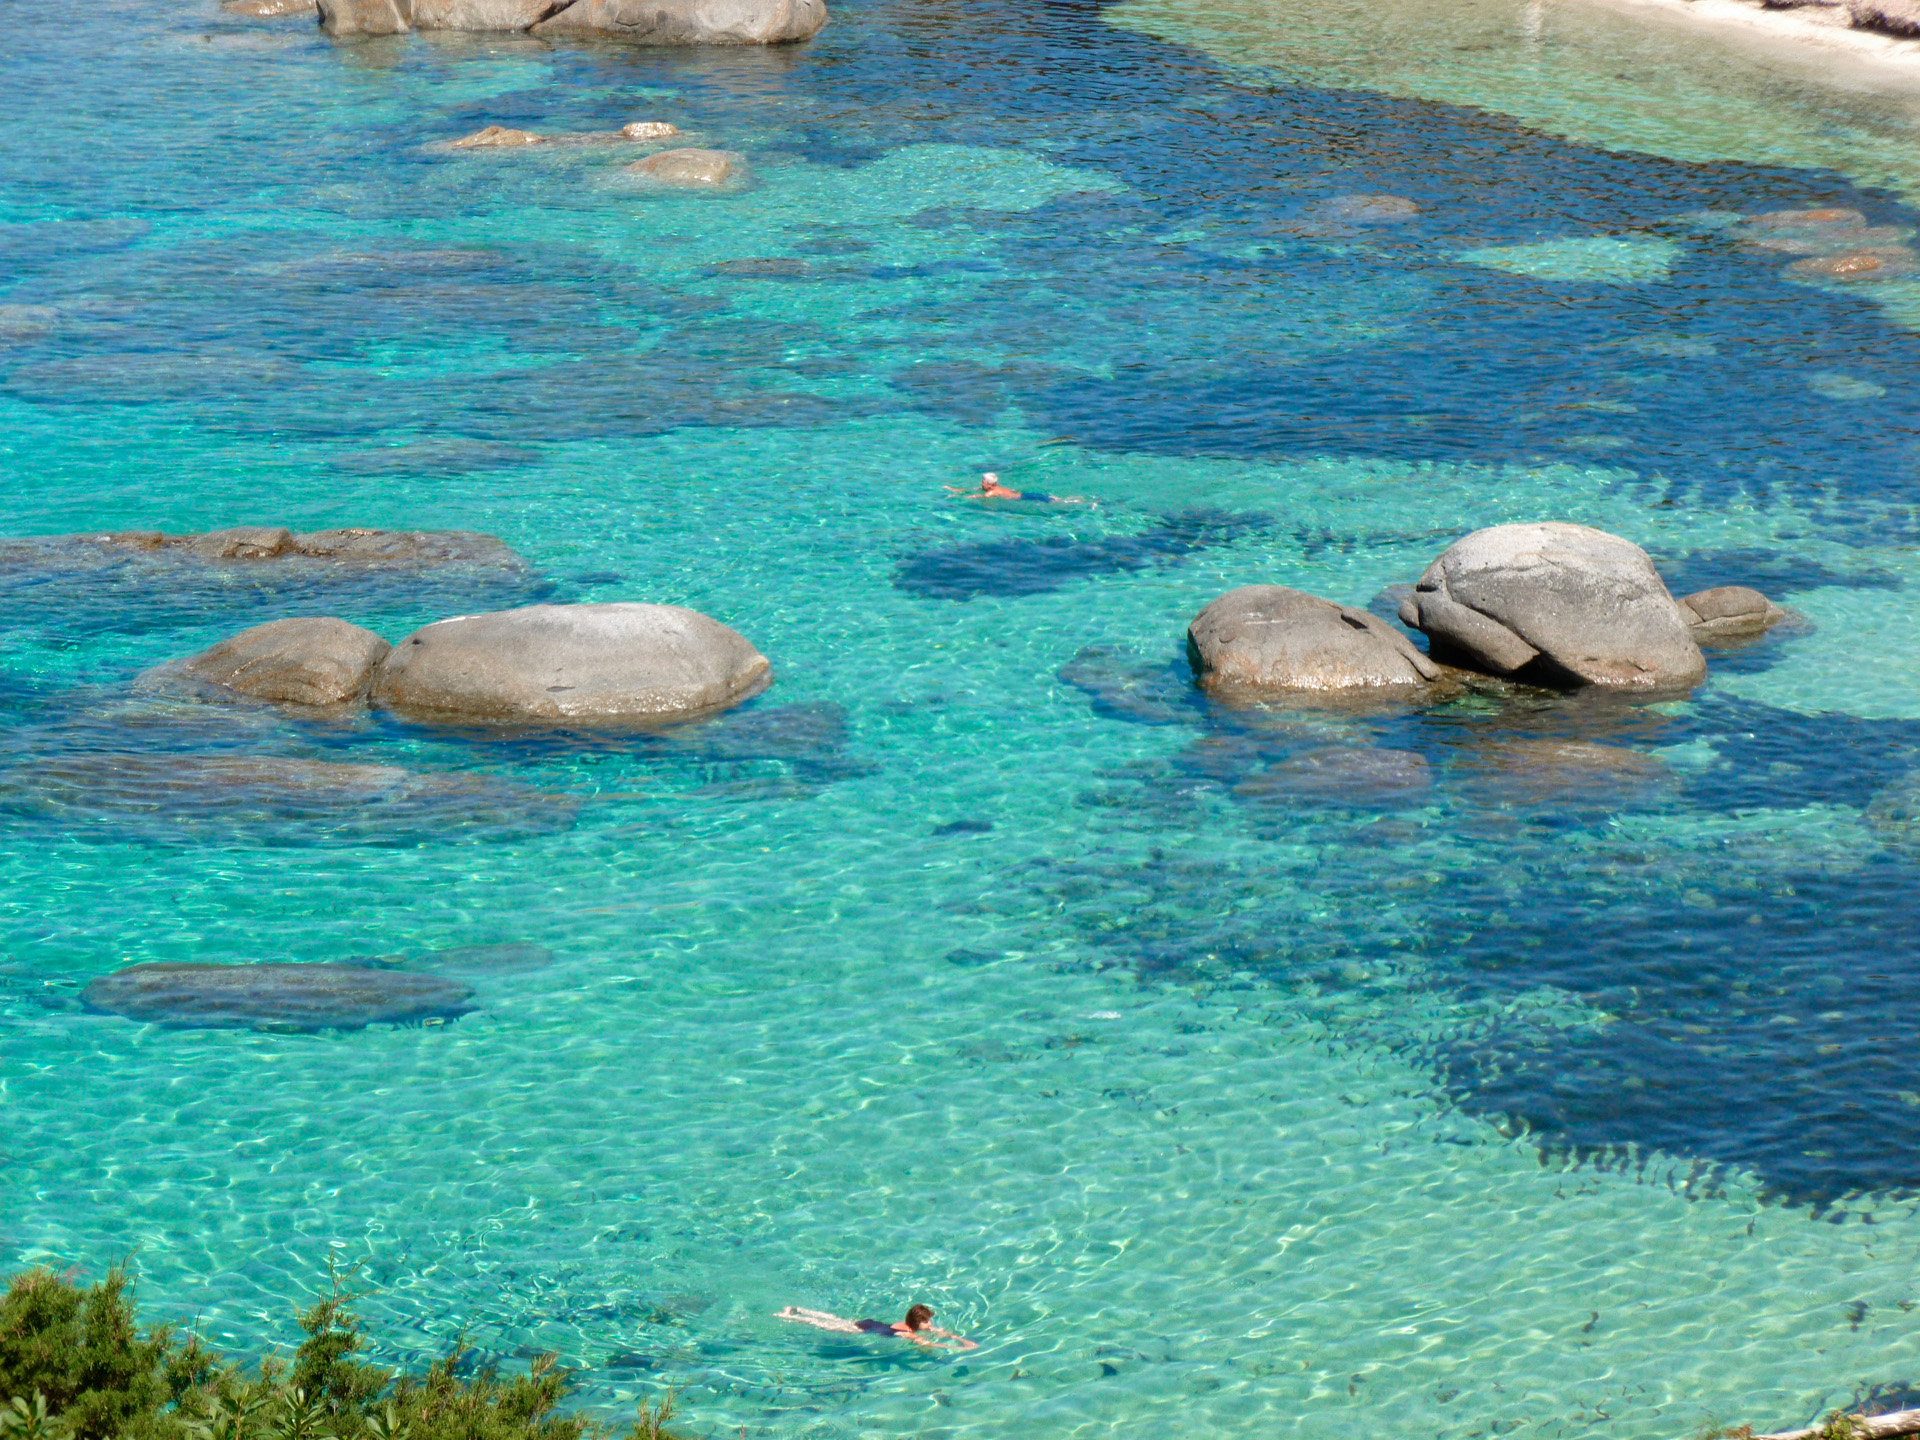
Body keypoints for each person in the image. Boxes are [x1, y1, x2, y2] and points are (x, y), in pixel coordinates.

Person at [776, 1303, 976, 1350]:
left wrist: (960, 1338)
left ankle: (799, 1309)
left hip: (870, 1322)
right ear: (917, 1323)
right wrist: (956, 1348)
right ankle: (793, 1317)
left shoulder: (907, 1325)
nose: (930, 1324)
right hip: (864, 1329)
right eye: (926, 1321)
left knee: (834, 1318)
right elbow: (930, 1345)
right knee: (826, 1325)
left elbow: (942, 1332)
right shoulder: (908, 1334)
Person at [944, 473, 1085, 506]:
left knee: (1057, 503)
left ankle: (1078, 502)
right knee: (1053, 499)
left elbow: (976, 497)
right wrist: (953, 490)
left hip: (1026, 497)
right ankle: (1075, 500)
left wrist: (958, 499)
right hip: (1026, 494)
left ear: (990, 485)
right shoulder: (992, 488)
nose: (981, 483)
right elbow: (968, 490)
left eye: (983, 481)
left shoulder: (992, 492)